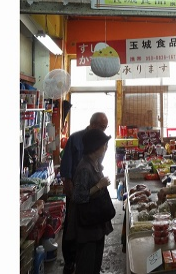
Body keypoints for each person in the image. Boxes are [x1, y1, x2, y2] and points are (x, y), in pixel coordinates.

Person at [59, 112, 109, 274]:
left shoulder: (97, 143)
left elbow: (97, 165)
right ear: (93, 124)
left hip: (90, 190)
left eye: (105, 128)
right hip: (76, 186)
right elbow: (67, 164)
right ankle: (70, 261)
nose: (103, 130)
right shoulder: (76, 139)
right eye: (102, 127)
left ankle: (88, 262)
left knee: (86, 222)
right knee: (73, 225)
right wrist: (68, 183)